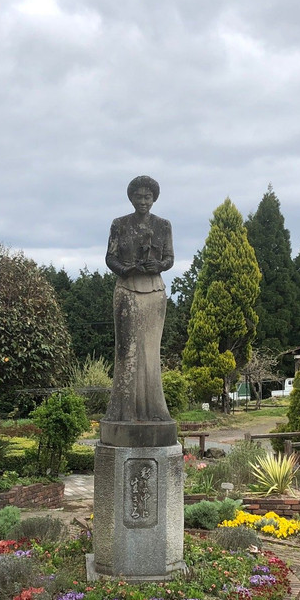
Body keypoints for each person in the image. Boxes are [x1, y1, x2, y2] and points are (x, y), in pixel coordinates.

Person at [103, 175, 173, 426]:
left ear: (154, 198)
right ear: (131, 198)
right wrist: (126, 269)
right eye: (139, 196)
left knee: (151, 353)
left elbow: (169, 258)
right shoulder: (120, 224)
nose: (143, 201)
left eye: (147, 197)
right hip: (127, 291)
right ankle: (124, 412)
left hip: (154, 293)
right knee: (127, 352)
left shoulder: (163, 225)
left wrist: (159, 265)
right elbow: (110, 258)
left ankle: (154, 410)